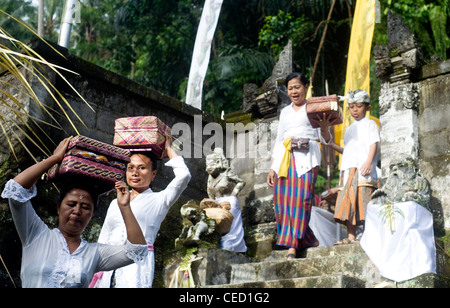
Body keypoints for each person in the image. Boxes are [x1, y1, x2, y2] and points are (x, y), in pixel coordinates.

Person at [0, 136, 148, 288]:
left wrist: (124, 206)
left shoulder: (94, 254)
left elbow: (137, 250)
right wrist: (54, 158)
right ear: (58, 207)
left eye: (85, 207)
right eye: (71, 204)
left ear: (92, 214)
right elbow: (16, 189)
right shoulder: (35, 234)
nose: (77, 211)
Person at [92, 136, 191, 288]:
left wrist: (169, 150)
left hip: (136, 267)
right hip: (107, 267)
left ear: (153, 174)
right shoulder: (115, 202)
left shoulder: (160, 200)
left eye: (142, 168)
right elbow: (103, 239)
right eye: (130, 168)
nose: (135, 172)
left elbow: (184, 176)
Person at [267, 72, 332, 260]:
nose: (294, 91)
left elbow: (325, 140)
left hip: (308, 159)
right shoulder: (285, 112)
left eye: (297, 87)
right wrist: (273, 167)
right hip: (285, 158)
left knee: (301, 201)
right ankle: (310, 240)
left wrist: (325, 128)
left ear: (305, 87)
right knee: (283, 201)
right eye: (290, 88)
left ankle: (292, 247)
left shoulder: (314, 107)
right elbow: (280, 140)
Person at [325, 90, 380, 244]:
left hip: (363, 168)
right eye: (351, 107)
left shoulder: (370, 124)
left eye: (359, 106)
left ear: (367, 107)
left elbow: (373, 143)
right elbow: (347, 150)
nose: (355, 110)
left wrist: (369, 161)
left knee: (364, 200)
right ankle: (351, 236)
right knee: (348, 200)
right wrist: (332, 145)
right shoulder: (349, 129)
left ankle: (367, 233)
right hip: (349, 168)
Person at [205, 147, 247, 253]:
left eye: (212, 164)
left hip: (230, 202)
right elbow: (209, 191)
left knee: (230, 225)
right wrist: (211, 205)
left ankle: (232, 245)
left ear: (218, 163)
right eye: (207, 164)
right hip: (217, 203)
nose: (209, 167)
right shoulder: (210, 178)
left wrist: (233, 195)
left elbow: (241, 182)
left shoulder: (227, 173)